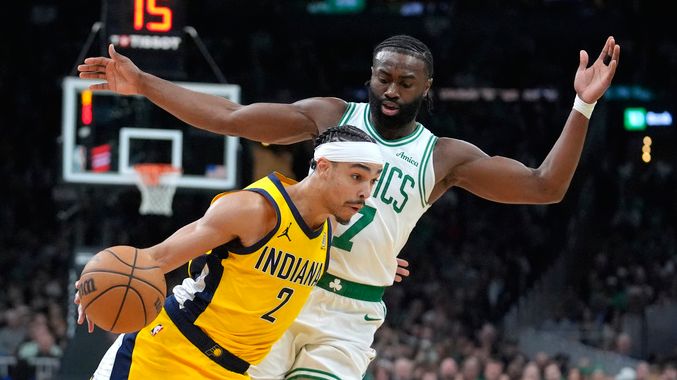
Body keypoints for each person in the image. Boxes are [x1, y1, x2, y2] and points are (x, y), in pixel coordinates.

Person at [78, 34, 621, 379]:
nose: (391, 89)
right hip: (282, 296)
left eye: (406, 82)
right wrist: (145, 83)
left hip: (348, 318)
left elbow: (543, 186)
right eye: (383, 77)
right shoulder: (330, 118)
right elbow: (230, 118)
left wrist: (582, 105)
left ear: (427, 88)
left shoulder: (443, 156)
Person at [74, 125, 384, 379]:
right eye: (357, 177)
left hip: (232, 372)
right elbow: (160, 256)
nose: (365, 192)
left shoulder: (327, 229)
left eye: (371, 181)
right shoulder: (255, 209)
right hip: (168, 355)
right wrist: (96, 286)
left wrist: (379, 263)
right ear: (324, 168)